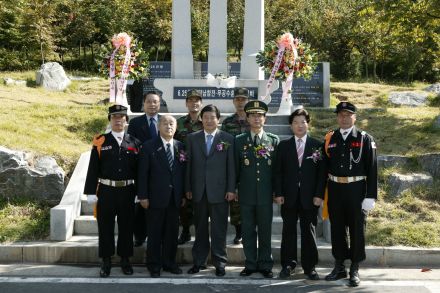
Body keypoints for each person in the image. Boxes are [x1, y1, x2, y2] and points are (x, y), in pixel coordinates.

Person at [323, 101, 377, 287]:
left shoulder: (364, 138)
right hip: (336, 189)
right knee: (337, 229)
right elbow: (324, 167)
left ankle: (354, 267)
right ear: (337, 117)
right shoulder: (331, 138)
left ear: (355, 117)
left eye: (348, 115)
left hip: (356, 190)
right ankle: (339, 266)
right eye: (341, 115)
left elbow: (372, 169)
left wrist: (370, 196)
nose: (344, 118)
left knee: (356, 230)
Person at [84, 104, 141, 277]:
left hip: (127, 191)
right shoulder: (100, 141)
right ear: (110, 120)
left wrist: (140, 191)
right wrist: (91, 192)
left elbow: (139, 170)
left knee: (126, 227)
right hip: (106, 191)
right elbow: (93, 168)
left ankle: (125, 260)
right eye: (115, 117)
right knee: (105, 227)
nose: (118, 120)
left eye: (122, 117)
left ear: (126, 121)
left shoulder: (135, 142)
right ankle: (106, 261)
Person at [274, 108, 326, 280]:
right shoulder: (283, 146)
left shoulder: (317, 145)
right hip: (288, 196)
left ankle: (310, 267)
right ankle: (288, 265)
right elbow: (278, 172)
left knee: (308, 232)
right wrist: (278, 193)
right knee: (288, 231)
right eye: (296, 122)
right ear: (291, 126)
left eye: (303, 122)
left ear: (308, 124)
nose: (299, 125)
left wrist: (319, 194)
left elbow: (321, 174)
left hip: (309, 197)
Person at [185, 104, 236, 277]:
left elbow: (231, 167)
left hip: (220, 192)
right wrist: (188, 188)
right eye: (205, 117)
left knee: (219, 229)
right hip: (199, 191)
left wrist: (231, 189)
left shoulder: (228, 138)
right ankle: (198, 262)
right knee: (199, 229)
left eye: (212, 117)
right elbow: (189, 165)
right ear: (201, 119)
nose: (208, 120)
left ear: (218, 119)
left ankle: (220, 263)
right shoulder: (192, 138)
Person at [234, 101, 279, 278]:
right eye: (253, 115)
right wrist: (234, 188)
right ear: (247, 118)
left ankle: (266, 264)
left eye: (260, 115)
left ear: (265, 119)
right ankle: (251, 263)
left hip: (266, 195)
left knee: (265, 230)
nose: (256, 118)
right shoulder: (238, 141)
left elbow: (277, 170)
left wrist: (277, 191)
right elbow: (236, 169)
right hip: (245, 194)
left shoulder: (273, 140)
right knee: (247, 230)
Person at [137, 115, 186, 278]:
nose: (168, 126)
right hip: (154, 198)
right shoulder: (148, 146)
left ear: (176, 127)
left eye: (171, 123)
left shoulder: (180, 146)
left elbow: (183, 172)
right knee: (155, 233)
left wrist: (184, 194)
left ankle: (170, 263)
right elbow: (142, 174)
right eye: (165, 123)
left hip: (175, 198)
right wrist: (142, 196)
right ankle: (154, 265)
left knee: (172, 234)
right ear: (158, 127)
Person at [127, 90, 161, 247]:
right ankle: (139, 235)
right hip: (142, 170)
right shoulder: (135, 123)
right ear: (143, 104)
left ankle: (158, 234)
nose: (152, 104)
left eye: (155, 101)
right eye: (149, 101)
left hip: (161, 171)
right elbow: (130, 147)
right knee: (140, 205)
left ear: (159, 104)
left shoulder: (166, 121)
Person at [221, 87, 251, 245]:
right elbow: (223, 144)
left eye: (243, 99)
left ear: (247, 101)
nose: (240, 102)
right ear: (233, 101)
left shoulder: (253, 120)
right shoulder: (227, 122)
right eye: (237, 99)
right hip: (232, 166)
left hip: (250, 167)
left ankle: (249, 230)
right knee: (235, 203)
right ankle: (239, 232)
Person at [174, 89, 203, 245]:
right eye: (191, 100)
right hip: (184, 168)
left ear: (201, 103)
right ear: (186, 103)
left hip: (201, 169)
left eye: (197, 100)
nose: (194, 103)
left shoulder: (206, 120)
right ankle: (185, 231)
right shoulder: (179, 123)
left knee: (200, 202)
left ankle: (200, 233)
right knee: (184, 202)